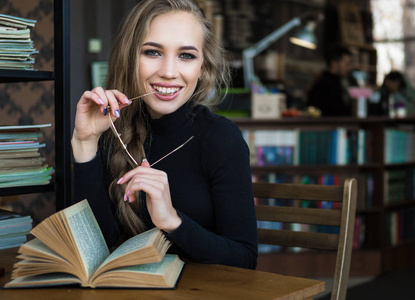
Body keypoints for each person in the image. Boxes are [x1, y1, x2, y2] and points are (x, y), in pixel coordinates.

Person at [71, 0, 258, 270]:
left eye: (186, 55)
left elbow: (245, 260)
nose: (169, 72)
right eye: (153, 52)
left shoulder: (221, 138)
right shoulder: (109, 129)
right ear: (130, 57)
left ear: (202, 67)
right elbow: (95, 249)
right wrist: (85, 142)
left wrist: (172, 220)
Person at [306, 46, 354, 116]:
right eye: (347, 64)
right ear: (334, 63)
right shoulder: (322, 84)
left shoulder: (346, 80)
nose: (350, 67)